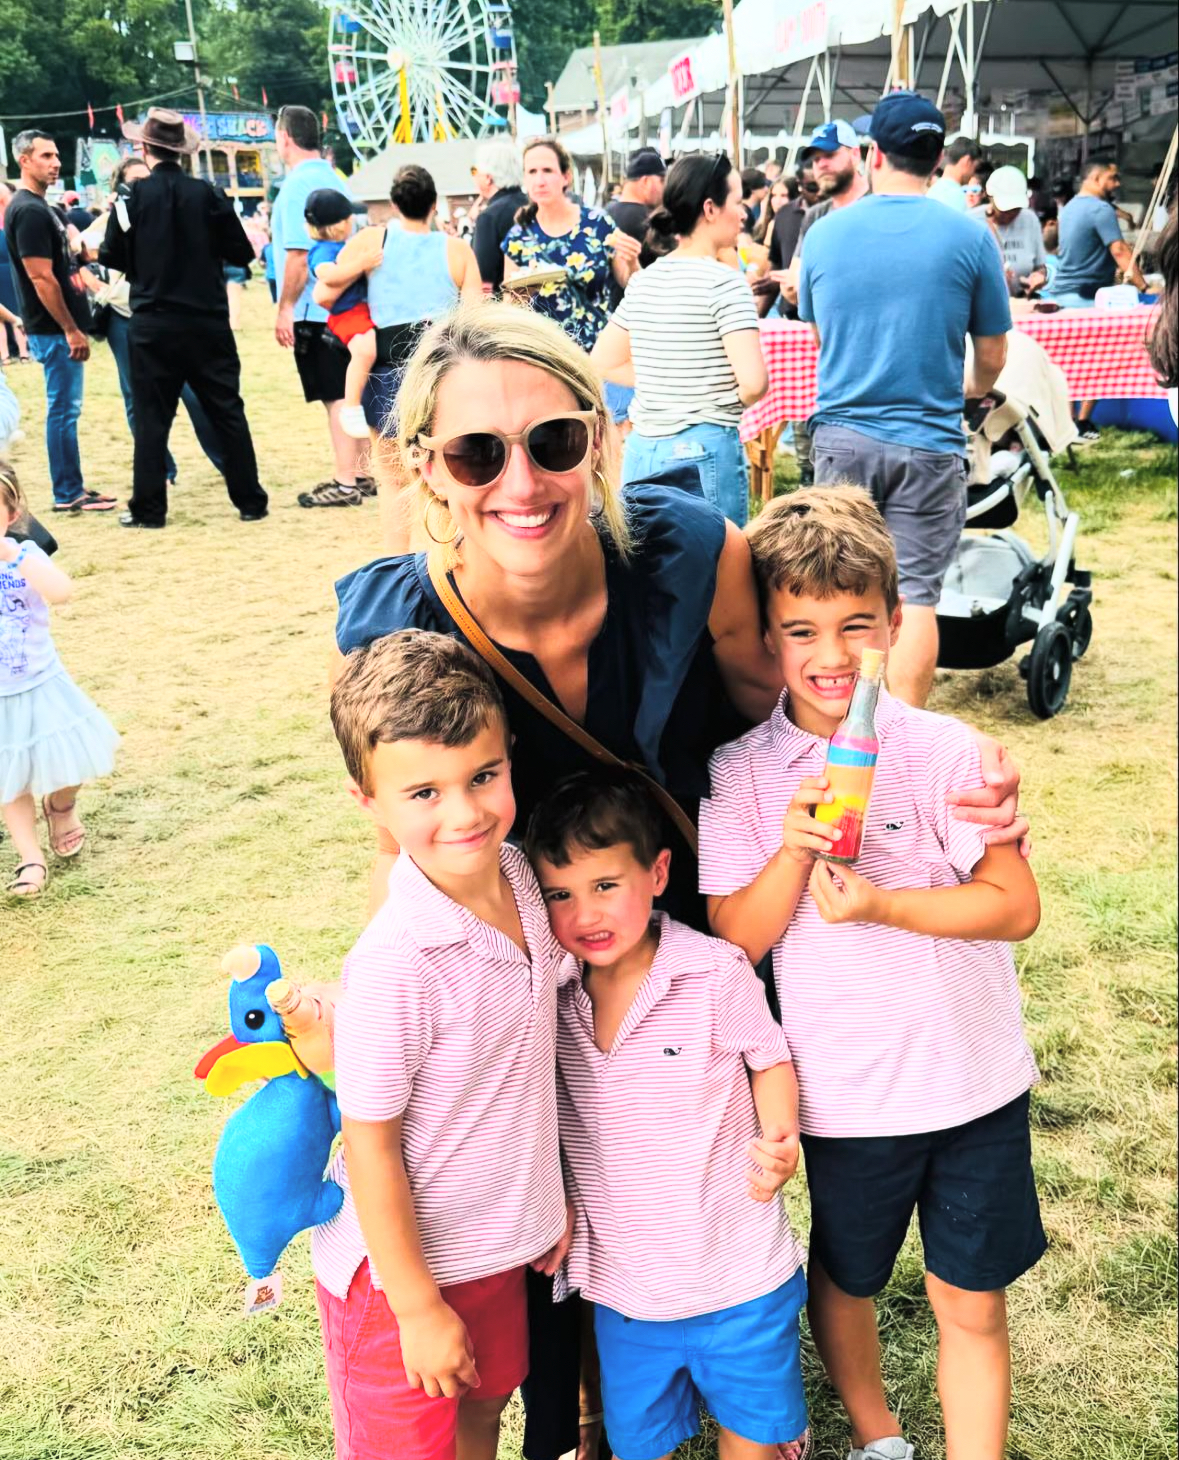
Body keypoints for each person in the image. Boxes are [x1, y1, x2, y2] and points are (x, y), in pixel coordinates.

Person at [319, 300, 1026, 1460]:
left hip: (703, 905)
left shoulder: (696, 550)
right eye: (475, 453)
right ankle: (594, 1397)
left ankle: (715, 1334)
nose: (521, 481)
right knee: (564, 1165)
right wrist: (386, 994)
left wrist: (959, 770)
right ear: (426, 468)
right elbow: (410, 827)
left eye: (551, 441)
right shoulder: (399, 619)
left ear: (599, 437)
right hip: (545, 937)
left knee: (690, 1146)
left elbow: (802, 706)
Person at [701, 485, 1045, 1460]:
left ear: (894, 626)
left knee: (970, 1297)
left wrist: (890, 902)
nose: (829, 654)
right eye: (799, 628)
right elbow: (736, 937)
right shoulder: (741, 774)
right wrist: (792, 850)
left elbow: (1012, 904)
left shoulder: (946, 752)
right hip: (848, 1099)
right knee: (847, 1276)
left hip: (974, 1085)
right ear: (767, 640)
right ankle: (877, 1429)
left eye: (857, 624)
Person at [318, 628, 570, 1460]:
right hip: (397, 1278)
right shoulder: (394, 965)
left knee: (482, 1416)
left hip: (501, 1247)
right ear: (370, 804)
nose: (465, 813)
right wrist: (417, 1306)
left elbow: (525, 1070)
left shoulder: (526, 880)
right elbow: (369, 1145)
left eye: (483, 777)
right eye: (422, 792)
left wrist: (547, 1200)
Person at [527, 767, 812, 1460]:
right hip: (627, 1294)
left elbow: (768, 1057)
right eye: (559, 895)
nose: (584, 915)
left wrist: (781, 1135)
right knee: (638, 1445)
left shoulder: (712, 972)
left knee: (755, 1443)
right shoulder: (551, 997)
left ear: (657, 874)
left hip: (739, 1276)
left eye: (604, 886)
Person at [798, 90, 1011, 708]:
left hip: (842, 435)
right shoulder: (970, 236)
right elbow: (993, 350)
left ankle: (841, 725)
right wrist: (973, 390)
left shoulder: (827, 233)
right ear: (939, 157)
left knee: (840, 593)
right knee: (917, 596)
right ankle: (903, 738)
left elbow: (821, 334)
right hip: (930, 439)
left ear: (871, 153)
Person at [98, 108, 269, 530]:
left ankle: (150, 509)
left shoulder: (130, 199)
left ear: (145, 147)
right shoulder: (210, 195)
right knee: (228, 409)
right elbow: (242, 254)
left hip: (152, 322)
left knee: (152, 419)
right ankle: (250, 500)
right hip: (206, 321)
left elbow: (111, 257)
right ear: (183, 151)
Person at [590, 153, 766, 527]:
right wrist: (700, 389)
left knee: (649, 574)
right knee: (719, 575)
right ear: (710, 208)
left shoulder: (645, 280)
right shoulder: (726, 282)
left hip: (644, 451)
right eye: (737, 201)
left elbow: (603, 360)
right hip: (704, 449)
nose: (744, 213)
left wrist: (665, 378)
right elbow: (754, 383)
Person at [310, 164, 482, 538]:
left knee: (392, 482)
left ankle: (396, 568)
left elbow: (323, 295)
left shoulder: (373, 241)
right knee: (453, 475)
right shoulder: (457, 250)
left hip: (387, 371)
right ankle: (453, 564)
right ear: (434, 203)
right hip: (442, 372)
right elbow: (473, 319)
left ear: (392, 203)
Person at [1, 461, 119, 898]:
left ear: (11, 515)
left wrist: (14, 554)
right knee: (8, 780)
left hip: (41, 682)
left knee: (73, 759)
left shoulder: (26, 555)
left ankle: (61, 804)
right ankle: (30, 858)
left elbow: (61, 592)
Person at [79, 155, 227, 491]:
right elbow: (77, 251)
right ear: (121, 188)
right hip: (126, 320)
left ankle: (227, 461)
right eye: (135, 182)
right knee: (138, 399)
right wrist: (99, 285)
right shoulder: (109, 221)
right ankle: (161, 468)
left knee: (196, 393)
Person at [5, 131, 116, 515]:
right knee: (63, 410)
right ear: (24, 160)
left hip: (58, 326)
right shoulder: (28, 210)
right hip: (52, 330)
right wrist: (70, 329)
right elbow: (41, 278)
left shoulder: (45, 207)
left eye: (57, 155)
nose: (55, 163)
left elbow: (72, 259)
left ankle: (73, 484)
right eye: (46, 156)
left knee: (67, 409)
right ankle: (67, 491)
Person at [271, 104, 368, 507]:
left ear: (285, 137)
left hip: (317, 310)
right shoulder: (336, 178)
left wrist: (284, 307)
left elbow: (296, 255)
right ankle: (362, 473)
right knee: (353, 392)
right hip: (352, 308)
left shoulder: (295, 188)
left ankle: (345, 481)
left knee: (336, 397)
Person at [771, 121, 869, 484]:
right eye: (815, 159)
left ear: (856, 154)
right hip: (828, 351)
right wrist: (793, 287)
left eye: (829, 155)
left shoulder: (879, 207)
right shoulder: (815, 217)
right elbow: (794, 289)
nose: (821, 165)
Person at [502, 136, 640, 353]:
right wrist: (522, 296)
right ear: (524, 180)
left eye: (547, 170)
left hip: (599, 353)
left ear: (565, 177)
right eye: (532, 172)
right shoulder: (518, 237)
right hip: (547, 354)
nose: (540, 180)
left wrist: (632, 261)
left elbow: (629, 282)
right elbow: (509, 308)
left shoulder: (597, 223)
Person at [1044, 158, 1147, 441]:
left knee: (1070, 364)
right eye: (1112, 179)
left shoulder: (1071, 207)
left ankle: (1068, 424)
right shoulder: (1100, 209)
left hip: (1063, 294)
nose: (1117, 184)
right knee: (1098, 361)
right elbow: (1119, 250)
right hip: (1089, 296)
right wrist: (1144, 286)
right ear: (1097, 179)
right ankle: (1084, 421)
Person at [303, 188, 376, 442]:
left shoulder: (340, 246)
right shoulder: (322, 251)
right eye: (349, 218)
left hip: (358, 309)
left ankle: (362, 401)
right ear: (340, 223)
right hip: (345, 313)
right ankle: (351, 407)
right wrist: (361, 264)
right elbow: (327, 275)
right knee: (365, 350)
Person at [978, 165, 1048, 297]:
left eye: (1016, 209)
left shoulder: (1030, 219)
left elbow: (1040, 266)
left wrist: (1038, 276)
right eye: (1004, 210)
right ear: (990, 197)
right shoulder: (973, 221)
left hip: (1021, 301)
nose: (1010, 215)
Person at [470, 141, 526, 292]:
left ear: (488, 178)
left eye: (474, 171)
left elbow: (484, 280)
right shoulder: (534, 205)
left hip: (507, 306)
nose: (473, 177)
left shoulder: (489, 217)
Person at [0, 185, 31, 365]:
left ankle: (5, 356)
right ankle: (24, 353)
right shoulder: (13, 219)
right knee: (17, 313)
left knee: (1, 317)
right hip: (12, 271)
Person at [928, 136, 982, 212]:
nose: (973, 173)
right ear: (967, 161)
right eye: (975, 167)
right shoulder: (957, 196)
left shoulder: (932, 190)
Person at [740, 166, 769, 231]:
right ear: (753, 189)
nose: (766, 189)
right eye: (763, 185)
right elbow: (749, 238)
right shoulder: (744, 214)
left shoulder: (744, 209)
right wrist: (763, 214)